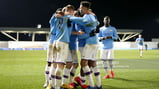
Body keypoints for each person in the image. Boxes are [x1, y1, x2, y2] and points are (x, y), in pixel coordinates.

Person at [77, 1, 102, 89]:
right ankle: (98, 85)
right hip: (94, 42)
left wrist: (69, 18)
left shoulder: (86, 17)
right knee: (93, 63)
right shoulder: (92, 16)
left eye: (81, 8)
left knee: (83, 62)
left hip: (89, 42)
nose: (80, 9)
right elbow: (96, 23)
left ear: (85, 9)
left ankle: (90, 84)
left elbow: (86, 30)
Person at [43, 8, 63, 88]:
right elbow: (51, 20)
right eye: (58, 13)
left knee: (57, 64)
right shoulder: (54, 19)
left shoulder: (62, 21)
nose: (59, 14)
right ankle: (47, 82)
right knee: (49, 63)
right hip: (52, 42)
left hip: (59, 43)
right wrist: (56, 14)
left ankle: (54, 83)